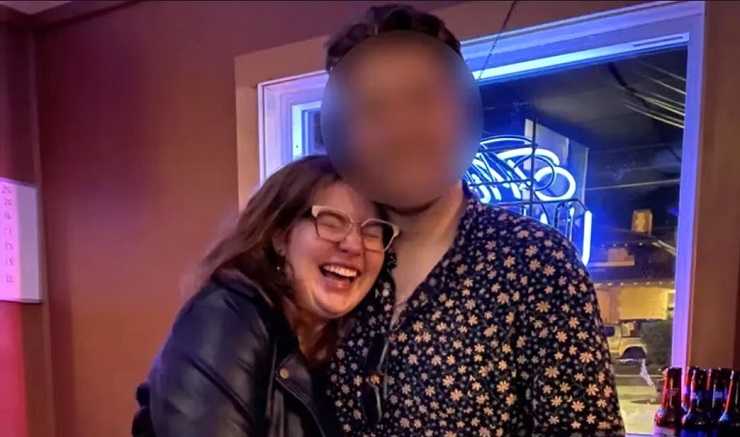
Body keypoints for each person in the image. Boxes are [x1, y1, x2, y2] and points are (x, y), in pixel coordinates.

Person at [322, 5, 626, 436]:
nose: (401, 128)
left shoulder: (536, 263)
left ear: (461, 109)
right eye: (372, 109)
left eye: (421, 99)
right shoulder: (336, 264)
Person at [130, 155, 399, 437]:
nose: (354, 245)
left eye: (372, 231)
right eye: (331, 222)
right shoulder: (227, 318)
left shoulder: (349, 347)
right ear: (280, 236)